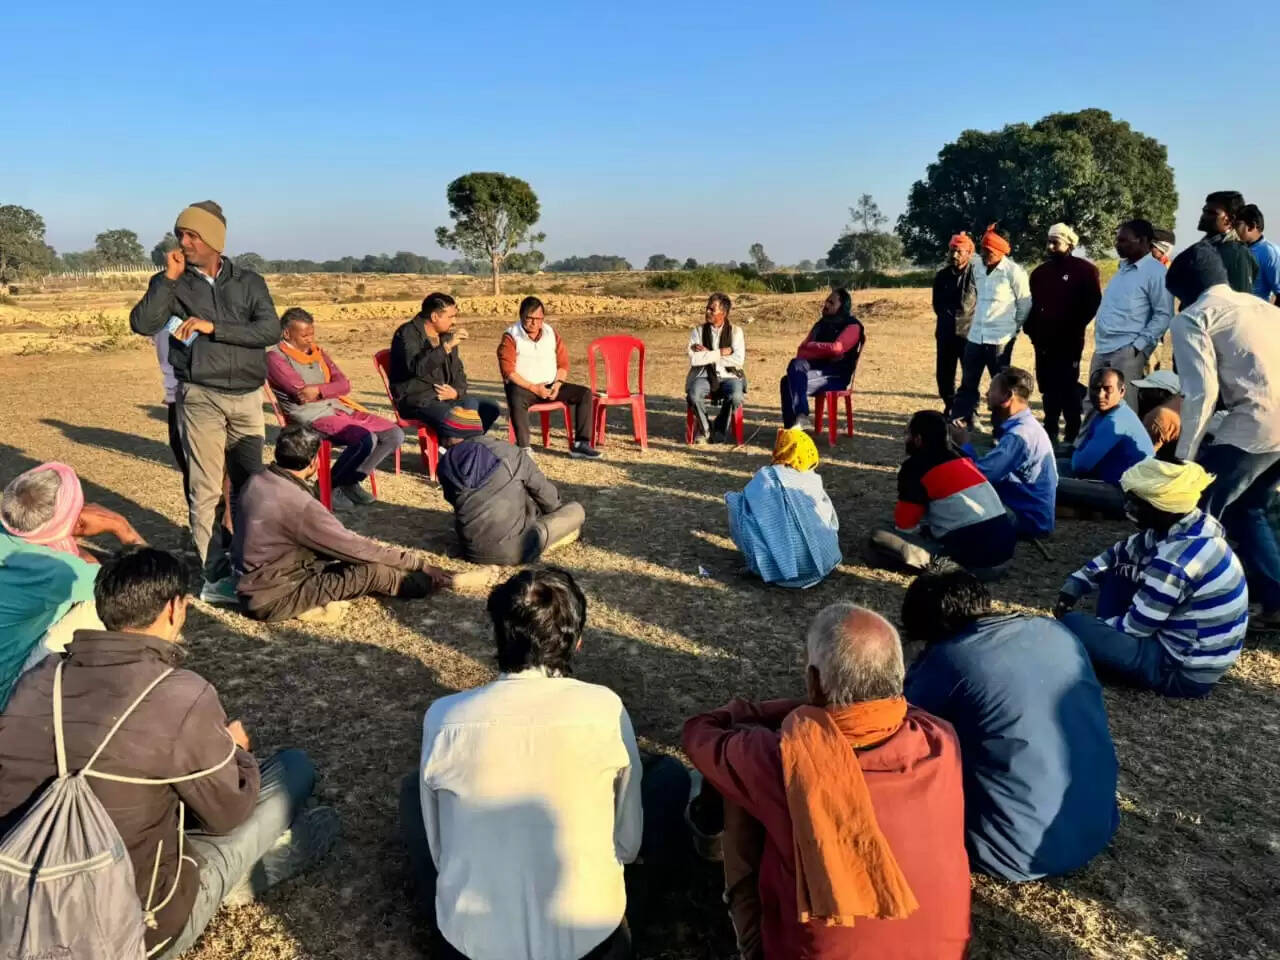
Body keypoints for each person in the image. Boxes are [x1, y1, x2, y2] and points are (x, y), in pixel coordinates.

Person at [0, 548, 338, 958]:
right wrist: (235, 752)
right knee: (292, 770)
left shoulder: (39, 679)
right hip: (134, 927)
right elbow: (226, 813)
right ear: (175, 608)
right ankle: (234, 880)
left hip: (22, 908)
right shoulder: (180, 694)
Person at [403, 567, 688, 960]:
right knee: (669, 778)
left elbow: (440, 853)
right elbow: (626, 844)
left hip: (469, 947)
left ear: (498, 635)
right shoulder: (604, 708)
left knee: (411, 790)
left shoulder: (443, 718)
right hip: (591, 945)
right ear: (578, 643)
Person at [682, 603, 971, 960]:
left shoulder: (779, 759)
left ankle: (747, 941)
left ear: (814, 683)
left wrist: (780, 710)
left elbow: (700, 731)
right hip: (944, 952)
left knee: (736, 787)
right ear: (897, 676)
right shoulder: (939, 737)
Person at [902, 570, 1118, 882]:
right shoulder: (1056, 632)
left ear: (932, 631)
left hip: (1009, 851)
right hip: (1097, 825)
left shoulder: (951, 658)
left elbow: (900, 727)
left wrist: (916, 666)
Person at [129, 201, 280, 605]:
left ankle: (253, 559)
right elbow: (142, 324)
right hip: (201, 398)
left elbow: (269, 330)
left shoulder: (249, 281)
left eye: (192, 235)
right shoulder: (176, 284)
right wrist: (166, 280)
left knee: (252, 486)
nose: (183, 241)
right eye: (180, 234)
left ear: (214, 239)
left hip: (248, 398)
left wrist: (215, 328)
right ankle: (215, 576)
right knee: (206, 489)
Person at [1055, 460, 1249, 697]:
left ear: (1165, 507)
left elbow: (1135, 628)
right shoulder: (1190, 526)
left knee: (1073, 625)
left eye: (1138, 503)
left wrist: (1094, 632)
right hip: (1188, 652)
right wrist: (1076, 584)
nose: (1128, 508)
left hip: (1180, 671)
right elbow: (1118, 554)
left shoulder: (1175, 560)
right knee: (1118, 571)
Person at [233, 425, 455, 622]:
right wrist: (418, 565)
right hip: (276, 596)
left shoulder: (258, 479)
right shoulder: (300, 505)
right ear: (314, 462)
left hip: (259, 583)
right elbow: (356, 548)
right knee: (375, 572)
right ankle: (435, 582)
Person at [1167, 243, 1280, 629]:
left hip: (1256, 422)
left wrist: (1186, 457)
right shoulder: (1265, 308)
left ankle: (1185, 597)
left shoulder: (1194, 318)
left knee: (1199, 511)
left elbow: (1201, 393)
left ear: (1184, 290)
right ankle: (1275, 600)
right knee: (1248, 509)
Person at [0, 463, 137, 708]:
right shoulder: (58, 570)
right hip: (8, 699)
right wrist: (120, 527)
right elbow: (151, 588)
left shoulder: (9, 538)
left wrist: (69, 536)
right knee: (102, 603)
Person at [267, 307, 405, 508]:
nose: (310, 339)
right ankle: (327, 488)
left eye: (312, 334)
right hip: (310, 417)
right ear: (287, 333)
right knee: (365, 438)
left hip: (338, 408)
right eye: (304, 335)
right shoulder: (275, 358)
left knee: (394, 434)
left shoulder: (318, 353)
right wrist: (327, 389)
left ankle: (350, 482)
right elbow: (300, 393)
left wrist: (319, 390)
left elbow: (345, 384)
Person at [867, 410, 1016, 577]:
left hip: (974, 563)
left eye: (907, 433)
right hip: (1004, 554)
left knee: (880, 535)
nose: (905, 439)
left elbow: (905, 526)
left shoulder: (914, 467)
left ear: (918, 439)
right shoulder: (963, 458)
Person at [437, 429, 586, 566]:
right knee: (576, 510)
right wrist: (556, 513)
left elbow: (453, 500)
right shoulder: (509, 452)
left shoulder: (445, 463)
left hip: (471, 551)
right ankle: (554, 539)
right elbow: (547, 497)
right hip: (516, 550)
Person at [726, 428, 841, 588]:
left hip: (786, 573)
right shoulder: (812, 478)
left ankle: (763, 565)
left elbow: (752, 505)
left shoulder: (768, 476)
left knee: (736, 503)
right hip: (826, 560)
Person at [954, 367, 1057, 538]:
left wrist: (963, 444)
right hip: (1031, 513)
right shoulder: (1026, 426)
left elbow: (979, 478)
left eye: (992, 389)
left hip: (1028, 520)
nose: (986, 393)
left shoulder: (1019, 436)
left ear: (1007, 396)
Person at [1025, 223, 1102, 447]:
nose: (1050, 246)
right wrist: (1032, 331)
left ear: (1069, 244)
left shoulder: (1086, 270)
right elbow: (1033, 305)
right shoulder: (1039, 273)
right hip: (1043, 341)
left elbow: (1092, 304)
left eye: (1055, 242)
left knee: (1068, 386)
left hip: (1069, 340)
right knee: (1047, 387)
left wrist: (1073, 325)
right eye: (1048, 241)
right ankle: (1049, 432)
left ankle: (1072, 433)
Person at [498, 296, 601, 459]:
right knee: (515, 394)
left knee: (584, 393)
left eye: (538, 319)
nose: (534, 323)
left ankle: (581, 444)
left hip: (551, 386)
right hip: (526, 388)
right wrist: (534, 388)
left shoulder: (551, 333)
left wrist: (558, 384)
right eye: (529, 318)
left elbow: (563, 364)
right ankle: (524, 447)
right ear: (521, 316)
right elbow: (508, 371)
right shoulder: (511, 336)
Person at [389, 292, 501, 441]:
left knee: (489, 408)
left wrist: (456, 393)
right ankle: (460, 449)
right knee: (464, 423)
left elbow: (459, 372)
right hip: (418, 399)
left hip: (446, 397)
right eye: (450, 317)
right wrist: (445, 348)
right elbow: (417, 368)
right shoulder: (407, 334)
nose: (454, 322)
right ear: (435, 317)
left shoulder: (446, 336)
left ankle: (453, 446)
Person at [950, 225, 1031, 429]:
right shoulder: (978, 267)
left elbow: (1025, 304)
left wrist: (1012, 329)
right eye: (983, 250)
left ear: (1001, 251)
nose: (985, 255)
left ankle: (1000, 430)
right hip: (976, 336)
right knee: (968, 383)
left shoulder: (1014, 272)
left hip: (1000, 340)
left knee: (1002, 387)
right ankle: (958, 424)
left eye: (989, 252)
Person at [1088, 219, 1173, 408]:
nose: (1118, 245)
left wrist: (1137, 347)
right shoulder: (1123, 269)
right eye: (1118, 240)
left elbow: (1164, 314)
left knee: (1122, 405)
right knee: (1094, 403)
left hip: (1127, 350)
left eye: (1124, 240)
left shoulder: (1155, 271)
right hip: (1103, 347)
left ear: (1143, 241)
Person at [1057, 368, 1155, 518]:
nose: (1100, 395)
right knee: (1052, 466)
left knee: (1047, 482)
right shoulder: (1112, 412)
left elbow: (1080, 465)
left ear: (1122, 391)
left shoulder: (1114, 421)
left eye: (1107, 389)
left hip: (1127, 495)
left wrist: (1078, 451)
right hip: (1119, 485)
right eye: (1095, 389)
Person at [779, 288, 864, 430]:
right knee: (796, 364)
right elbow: (801, 351)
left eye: (831, 302)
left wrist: (814, 347)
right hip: (816, 368)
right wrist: (825, 351)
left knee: (787, 382)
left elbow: (837, 348)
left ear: (842, 306)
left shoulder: (852, 326)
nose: (826, 304)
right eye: (826, 301)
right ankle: (797, 423)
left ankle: (797, 423)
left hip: (835, 375)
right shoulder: (821, 325)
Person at [685, 292, 747, 443]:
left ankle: (719, 427)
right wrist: (720, 353)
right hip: (704, 375)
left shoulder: (736, 332)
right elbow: (694, 359)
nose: (707, 312)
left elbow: (738, 360)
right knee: (693, 395)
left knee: (736, 396)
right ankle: (705, 429)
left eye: (712, 310)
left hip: (730, 375)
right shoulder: (698, 332)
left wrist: (708, 355)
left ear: (723, 313)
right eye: (707, 308)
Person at [932, 232, 977, 416]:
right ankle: (950, 406)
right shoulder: (942, 276)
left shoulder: (977, 274)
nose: (954, 255)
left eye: (959, 251)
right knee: (944, 375)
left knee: (969, 376)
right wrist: (949, 317)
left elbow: (975, 303)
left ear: (969, 253)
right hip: (945, 332)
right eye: (952, 251)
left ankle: (969, 412)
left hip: (969, 333)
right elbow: (937, 305)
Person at [1198, 191, 1259, 295]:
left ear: (1229, 220)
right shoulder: (1207, 247)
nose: (1203, 216)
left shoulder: (1237, 254)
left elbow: (1241, 299)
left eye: (1211, 213)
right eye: (1204, 211)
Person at [1234, 203, 1280, 303]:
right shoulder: (1234, 250)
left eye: (1237, 225)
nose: (1233, 230)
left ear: (1251, 226)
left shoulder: (1270, 253)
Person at [1132, 370, 1183, 460]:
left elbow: (1140, 456)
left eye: (1146, 391)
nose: (1140, 395)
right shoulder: (1182, 404)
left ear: (1162, 393)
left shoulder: (1159, 416)